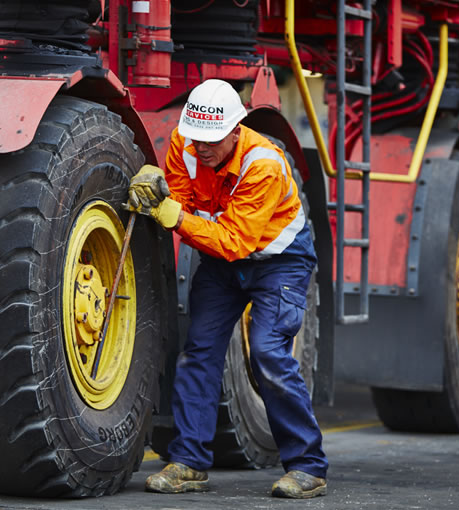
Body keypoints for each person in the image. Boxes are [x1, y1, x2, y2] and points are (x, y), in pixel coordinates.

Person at [126, 79, 328, 498]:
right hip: (223, 262)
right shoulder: (186, 143)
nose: (202, 148)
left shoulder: (264, 164)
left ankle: (307, 466)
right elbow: (179, 197)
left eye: (213, 141)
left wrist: (172, 215)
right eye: (197, 138)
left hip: (279, 262)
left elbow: (234, 240)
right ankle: (189, 462)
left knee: (269, 353)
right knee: (199, 351)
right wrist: (158, 186)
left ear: (236, 131)